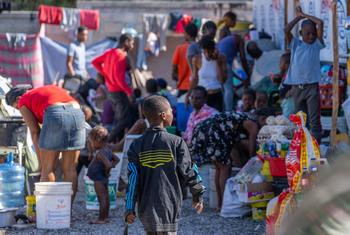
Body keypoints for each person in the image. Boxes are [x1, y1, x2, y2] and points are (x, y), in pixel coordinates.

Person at [125, 95, 205, 235]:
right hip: (169, 205)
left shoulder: (136, 145)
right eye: (170, 111)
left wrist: (129, 207)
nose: (172, 114)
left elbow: (132, 179)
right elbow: (189, 170)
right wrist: (197, 194)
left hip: (146, 209)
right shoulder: (176, 142)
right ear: (163, 115)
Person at [5, 85, 85, 199]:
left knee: (47, 169)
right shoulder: (45, 90)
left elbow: (35, 132)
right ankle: (66, 212)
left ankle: (48, 211)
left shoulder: (23, 100)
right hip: (77, 112)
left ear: (18, 99)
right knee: (70, 169)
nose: (20, 110)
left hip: (55, 113)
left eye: (17, 108)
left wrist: (41, 161)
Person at [190, 111, 258, 210]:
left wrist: (242, 167)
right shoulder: (253, 124)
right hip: (215, 131)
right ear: (262, 119)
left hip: (205, 129)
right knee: (225, 168)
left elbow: (234, 150)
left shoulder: (238, 121)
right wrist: (253, 160)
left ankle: (220, 204)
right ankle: (224, 205)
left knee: (219, 168)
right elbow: (252, 145)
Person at [284, 6, 324, 143]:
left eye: (313, 33)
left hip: (312, 87)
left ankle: (316, 147)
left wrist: (304, 14)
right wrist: (299, 17)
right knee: (301, 121)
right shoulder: (295, 44)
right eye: (308, 33)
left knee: (314, 121)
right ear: (301, 33)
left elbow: (320, 23)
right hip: (297, 88)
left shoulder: (316, 45)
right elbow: (286, 30)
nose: (311, 36)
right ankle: (303, 147)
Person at [87, 126, 119, 224]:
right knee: (106, 197)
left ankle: (101, 219)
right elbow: (117, 159)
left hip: (99, 178)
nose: (91, 145)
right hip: (102, 177)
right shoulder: (108, 150)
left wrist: (106, 171)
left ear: (98, 140)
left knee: (102, 198)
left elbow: (108, 164)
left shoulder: (101, 153)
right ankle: (105, 216)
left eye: (91, 142)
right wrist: (109, 169)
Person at [217, 15, 249, 111]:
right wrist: (247, 74)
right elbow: (243, 58)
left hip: (220, 62)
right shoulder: (238, 39)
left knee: (225, 88)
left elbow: (229, 71)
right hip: (223, 62)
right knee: (228, 89)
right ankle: (228, 112)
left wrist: (242, 78)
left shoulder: (230, 37)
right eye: (234, 19)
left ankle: (226, 110)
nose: (235, 22)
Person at [187, 35, 227, 112]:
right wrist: (188, 95)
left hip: (216, 95)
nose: (207, 54)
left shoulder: (221, 58)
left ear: (214, 49)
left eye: (210, 51)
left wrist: (217, 62)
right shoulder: (197, 59)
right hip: (201, 98)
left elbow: (222, 80)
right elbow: (195, 79)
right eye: (205, 51)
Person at [172, 23, 195, 97]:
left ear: (188, 34)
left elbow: (174, 67)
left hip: (183, 86)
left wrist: (176, 77)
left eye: (184, 33)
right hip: (197, 86)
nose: (183, 35)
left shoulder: (180, 48)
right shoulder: (200, 48)